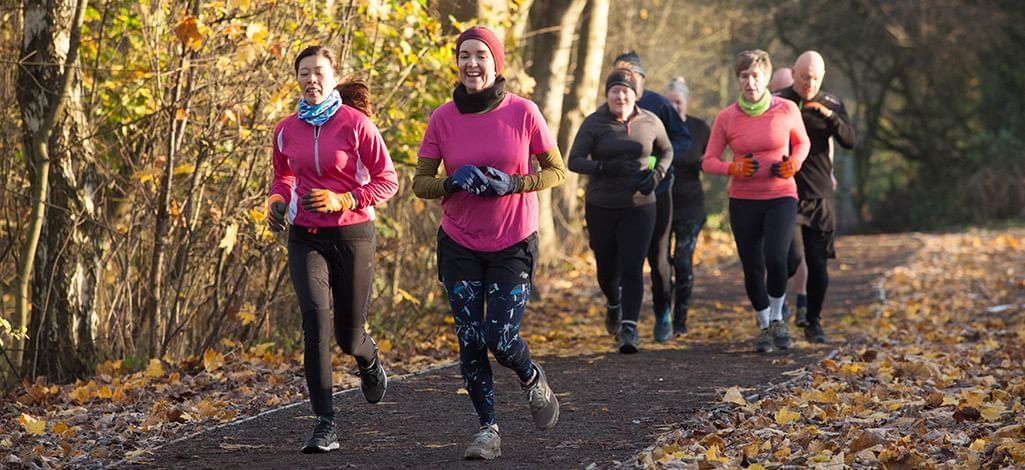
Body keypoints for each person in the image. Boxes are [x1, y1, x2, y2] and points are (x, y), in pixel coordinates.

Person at [412, 26, 564, 461]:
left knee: (500, 336)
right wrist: (449, 182)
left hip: (512, 241)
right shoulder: (443, 117)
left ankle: (531, 376)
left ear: (497, 63)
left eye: (481, 55)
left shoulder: (523, 112)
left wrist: (514, 183)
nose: (472, 63)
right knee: (470, 338)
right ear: (456, 63)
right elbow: (420, 183)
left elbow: (557, 171)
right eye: (464, 55)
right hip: (459, 243)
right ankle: (487, 430)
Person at [266, 45, 398, 453]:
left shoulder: (356, 125)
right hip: (305, 235)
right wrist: (276, 200)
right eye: (304, 72)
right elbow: (283, 175)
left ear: (333, 75)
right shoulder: (286, 128)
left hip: (353, 235)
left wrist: (344, 200)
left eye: (319, 72)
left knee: (347, 335)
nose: (311, 79)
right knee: (314, 324)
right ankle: (325, 424)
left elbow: (388, 180)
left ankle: (368, 358)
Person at [701, 50, 810, 353]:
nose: (750, 81)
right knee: (752, 266)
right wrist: (732, 168)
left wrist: (794, 164)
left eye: (756, 75)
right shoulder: (727, 117)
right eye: (744, 76)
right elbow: (708, 161)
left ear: (766, 77)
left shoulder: (786, 109)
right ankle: (763, 324)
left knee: (776, 258)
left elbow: (803, 143)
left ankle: (778, 318)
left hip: (781, 195)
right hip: (744, 199)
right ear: (738, 79)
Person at [568, 67, 673, 354]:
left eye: (625, 91)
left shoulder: (650, 121)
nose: (620, 96)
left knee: (632, 266)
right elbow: (574, 161)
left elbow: (666, 150)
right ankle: (613, 303)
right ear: (608, 94)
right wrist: (603, 167)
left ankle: (629, 328)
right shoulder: (594, 123)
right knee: (606, 268)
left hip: (640, 204)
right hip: (602, 205)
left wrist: (657, 174)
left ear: (635, 94)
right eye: (615, 90)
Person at [776, 51, 856, 343]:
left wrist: (830, 116)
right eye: (803, 76)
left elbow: (850, 140)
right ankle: (776, 314)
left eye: (815, 78)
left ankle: (814, 322)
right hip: (787, 192)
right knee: (791, 258)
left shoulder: (831, 103)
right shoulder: (778, 99)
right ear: (793, 72)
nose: (809, 83)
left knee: (818, 264)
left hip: (821, 195)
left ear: (822, 77)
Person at [612, 52, 691, 343]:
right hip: (621, 197)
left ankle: (662, 312)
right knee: (622, 259)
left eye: (632, 75)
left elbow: (682, 140)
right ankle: (624, 318)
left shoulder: (658, 105)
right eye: (620, 75)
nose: (626, 82)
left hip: (657, 191)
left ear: (642, 79)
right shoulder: (609, 107)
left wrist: (657, 165)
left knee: (658, 259)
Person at [664, 77, 710, 336]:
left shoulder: (700, 128)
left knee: (682, 260)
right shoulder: (656, 126)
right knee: (662, 263)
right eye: (669, 103)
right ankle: (664, 315)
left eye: (678, 102)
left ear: (686, 103)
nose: (674, 108)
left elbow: (712, 157)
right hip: (661, 204)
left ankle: (680, 318)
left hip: (691, 206)